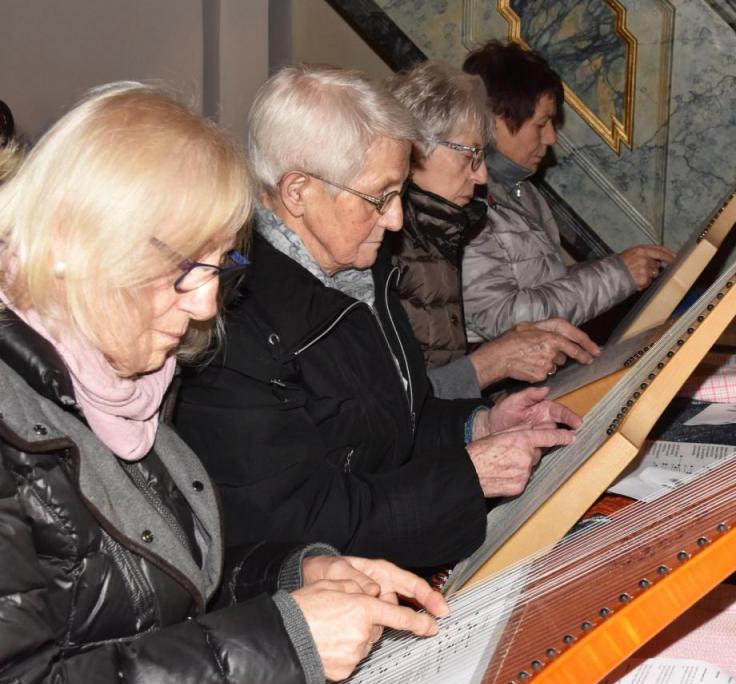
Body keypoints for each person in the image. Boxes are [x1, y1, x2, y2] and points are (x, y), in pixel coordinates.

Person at [0, 83, 449, 684]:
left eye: (219, 268)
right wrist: (279, 641)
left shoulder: (126, 384)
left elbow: (172, 595)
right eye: (184, 270)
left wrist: (293, 577)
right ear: (71, 245)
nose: (206, 305)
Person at [174, 66, 579, 571]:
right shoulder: (232, 321)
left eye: (399, 192)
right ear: (297, 191)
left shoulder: (359, 267)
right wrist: (468, 476)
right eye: (379, 197)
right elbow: (296, 527)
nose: (396, 219)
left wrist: (478, 425)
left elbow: (396, 424)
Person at [388, 61, 602, 399]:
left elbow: (440, 374)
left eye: (482, 156)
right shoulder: (387, 245)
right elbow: (392, 406)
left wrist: (511, 347)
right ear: (416, 148)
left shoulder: (443, 232)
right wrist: (496, 361)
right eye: (470, 156)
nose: (482, 176)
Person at [461, 41, 678, 342]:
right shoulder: (464, 200)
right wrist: (616, 275)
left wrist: (619, 267)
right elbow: (500, 318)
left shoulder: (524, 190)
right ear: (495, 120)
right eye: (541, 124)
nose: (551, 137)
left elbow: (549, 285)